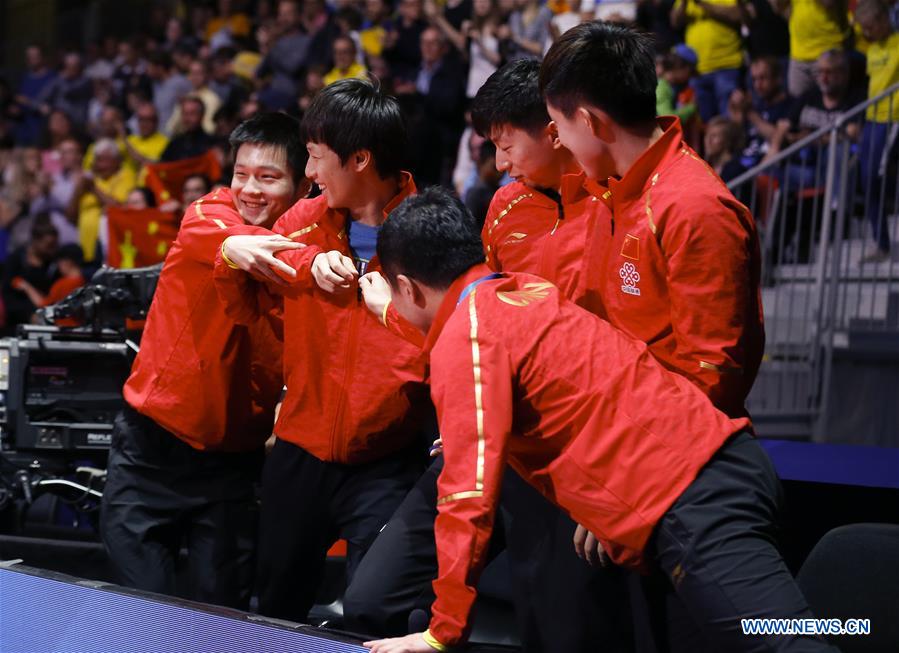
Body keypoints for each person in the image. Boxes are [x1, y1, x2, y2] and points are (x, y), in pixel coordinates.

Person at [359, 187, 835, 653]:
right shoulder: (529, 292)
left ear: (406, 287)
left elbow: (467, 497)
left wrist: (442, 633)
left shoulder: (469, 336)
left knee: (795, 642)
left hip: (695, 503)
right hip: (707, 483)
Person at [346, 59, 631, 653]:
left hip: (567, 455)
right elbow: (464, 321)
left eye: (506, 146)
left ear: (554, 130)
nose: (500, 164)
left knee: (559, 631)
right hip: (482, 436)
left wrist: (615, 482)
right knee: (373, 598)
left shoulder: (616, 206)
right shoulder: (503, 207)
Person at [213, 79, 430, 623]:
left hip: (387, 460)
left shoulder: (431, 235)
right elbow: (243, 305)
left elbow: (448, 343)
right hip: (299, 453)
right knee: (276, 609)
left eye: (314, 158)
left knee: (374, 613)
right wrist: (231, 252)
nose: (308, 174)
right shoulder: (302, 223)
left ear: (359, 159)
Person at [100, 112, 310, 609]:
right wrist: (235, 245)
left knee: (221, 619)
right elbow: (224, 238)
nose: (250, 189)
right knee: (145, 615)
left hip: (231, 466)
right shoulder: (208, 212)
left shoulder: (313, 251)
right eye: (242, 173)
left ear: (304, 186)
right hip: (149, 452)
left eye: (268, 177)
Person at [540, 21, 763, 421]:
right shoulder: (609, 188)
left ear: (590, 122)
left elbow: (712, 382)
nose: (559, 142)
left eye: (560, 127)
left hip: (671, 455)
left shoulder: (695, 208)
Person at [855, 0, 899, 262]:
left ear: (883, 21)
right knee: (866, 179)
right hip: (872, 120)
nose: (866, 33)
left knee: (878, 176)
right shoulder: (872, 49)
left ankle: (883, 241)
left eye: (870, 27)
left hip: (893, 119)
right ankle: (880, 242)